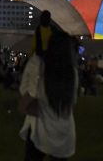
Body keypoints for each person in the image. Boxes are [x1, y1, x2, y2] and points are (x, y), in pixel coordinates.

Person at [18, 27, 77, 160]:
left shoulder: (41, 68)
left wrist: (33, 109)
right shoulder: (72, 73)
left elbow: (26, 101)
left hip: (41, 130)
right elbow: (71, 103)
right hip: (64, 133)